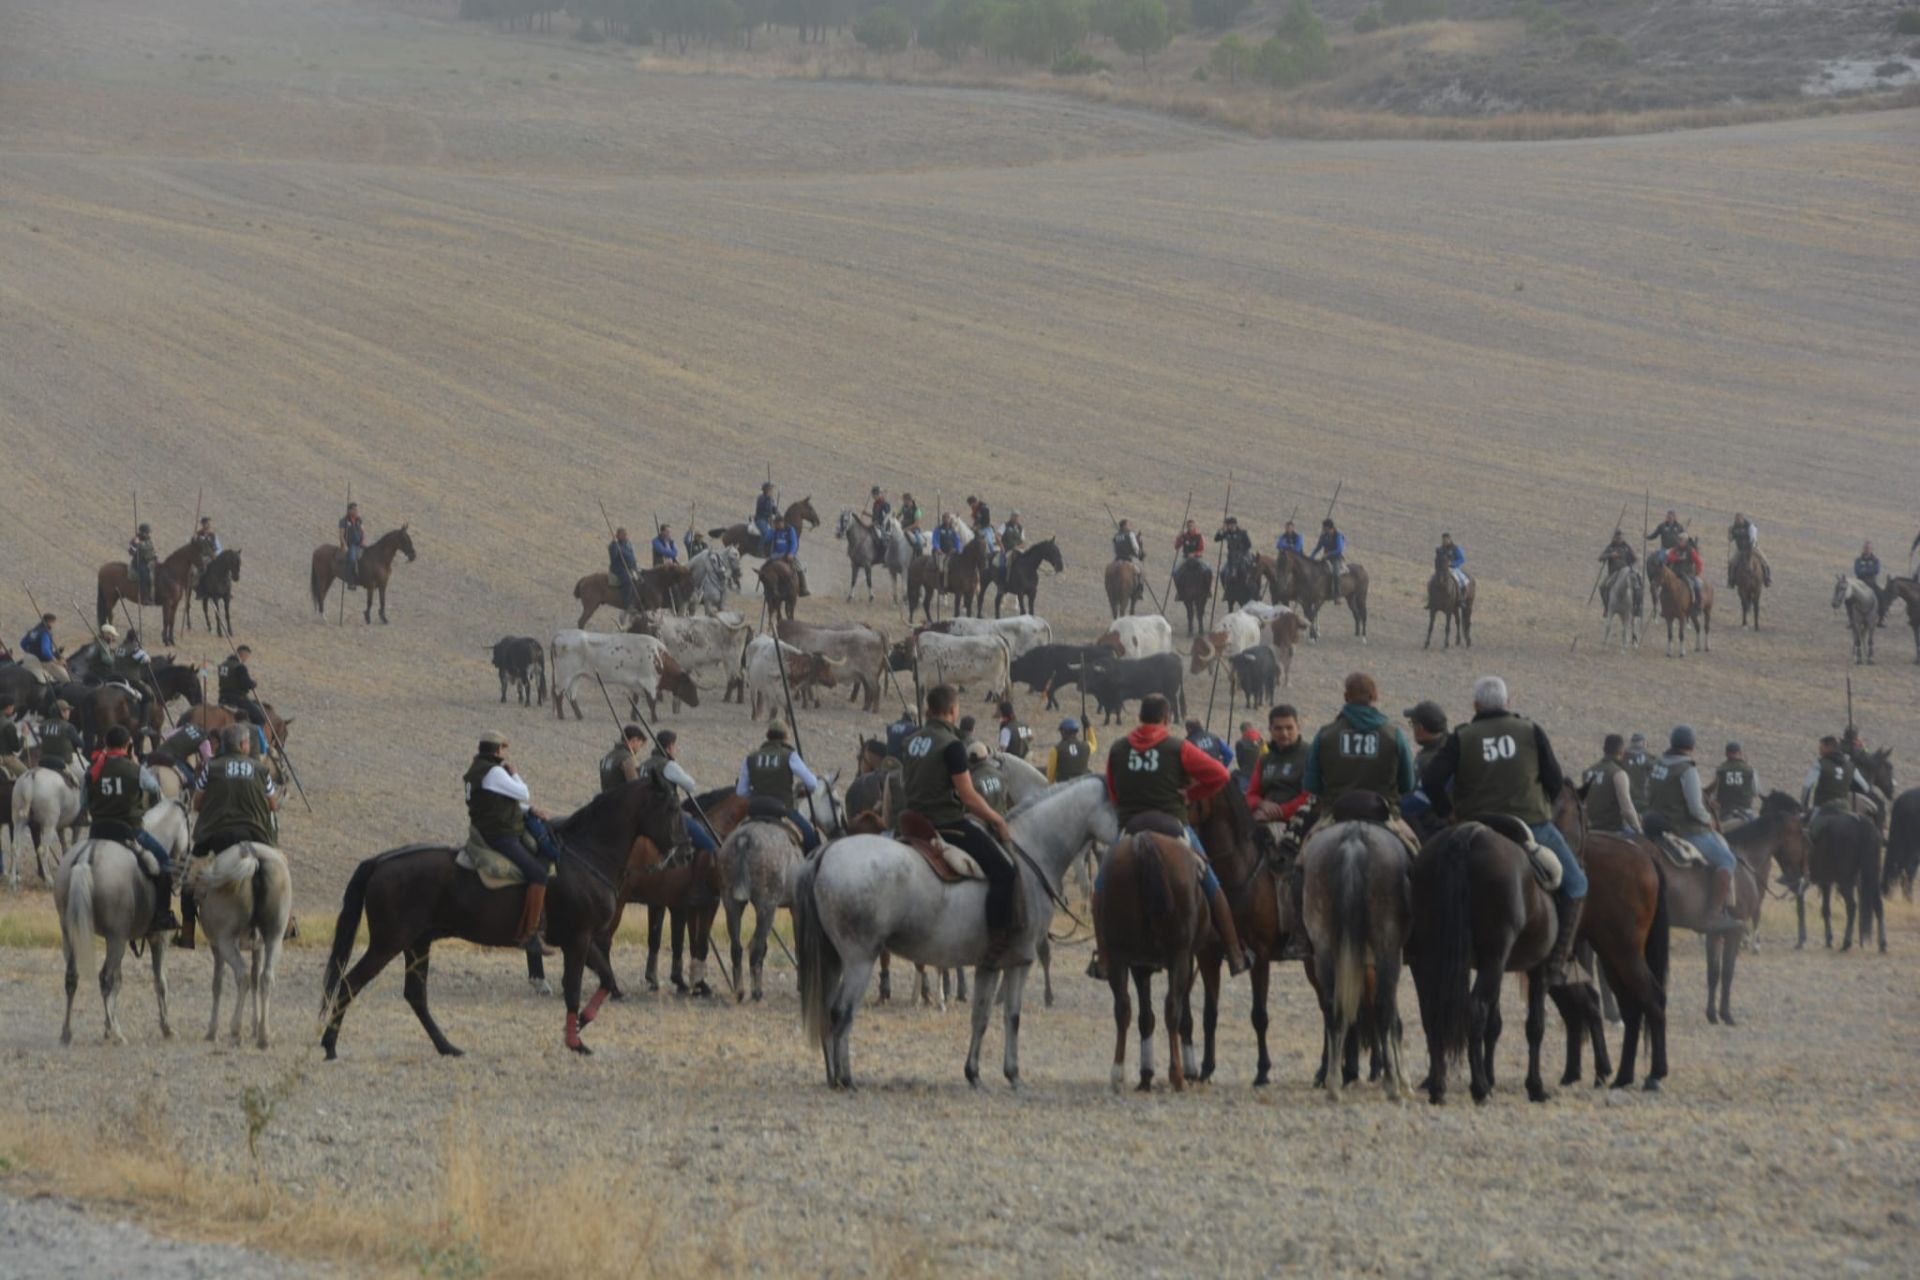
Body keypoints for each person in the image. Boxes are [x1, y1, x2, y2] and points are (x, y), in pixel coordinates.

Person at [1422, 676, 1589, 985]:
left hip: (1476, 825)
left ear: (1475, 706)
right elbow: (1554, 781)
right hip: (1532, 826)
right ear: (1508, 704)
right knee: (1577, 883)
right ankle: (1558, 963)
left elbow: (1432, 781)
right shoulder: (1531, 731)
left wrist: (1449, 813)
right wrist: (1541, 806)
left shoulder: (1462, 737)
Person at [1104, 693, 1250, 975]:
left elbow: (1113, 792)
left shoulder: (1118, 749)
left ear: (1139, 717)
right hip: (1172, 824)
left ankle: (1104, 958)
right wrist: (1192, 793)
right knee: (1211, 883)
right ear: (1167, 718)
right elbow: (1220, 775)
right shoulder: (1177, 747)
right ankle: (1234, 953)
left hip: (1131, 825)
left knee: (1102, 886)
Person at [900, 684, 1023, 965]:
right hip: (945, 823)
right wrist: (996, 818)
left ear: (929, 709)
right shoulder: (953, 745)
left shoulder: (911, 741)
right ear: (954, 711)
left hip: (911, 821)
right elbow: (968, 796)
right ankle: (996, 944)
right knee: (1005, 872)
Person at [182, 726, 281, 949]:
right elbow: (273, 805)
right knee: (278, 869)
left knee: (189, 876)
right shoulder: (260, 769)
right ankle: (289, 920)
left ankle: (187, 929)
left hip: (217, 835)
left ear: (225, 745)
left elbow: (197, 804)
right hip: (256, 833)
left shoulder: (211, 768)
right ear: (244, 745)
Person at [462, 731, 559, 950]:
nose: (506, 753)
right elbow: (523, 792)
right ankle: (531, 934)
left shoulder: (476, 770)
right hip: (501, 835)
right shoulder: (494, 772)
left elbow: (495, 802)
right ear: (497, 750)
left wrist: (530, 810)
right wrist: (515, 774)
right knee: (538, 874)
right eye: (504, 749)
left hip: (486, 828)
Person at [1647, 726, 1744, 935]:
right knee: (1728, 860)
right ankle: (1713, 915)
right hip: (1685, 830)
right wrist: (1708, 819)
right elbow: (1694, 807)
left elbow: (1648, 793)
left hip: (1656, 823)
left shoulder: (1657, 764)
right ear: (1691, 746)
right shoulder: (1687, 769)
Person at [85, 726, 179, 933]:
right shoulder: (135, 770)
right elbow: (155, 788)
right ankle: (162, 916)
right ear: (128, 746)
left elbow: (84, 801)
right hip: (129, 830)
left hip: (97, 830)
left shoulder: (93, 769)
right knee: (164, 862)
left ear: (106, 745)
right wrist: (136, 764)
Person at [1305, 673, 1415, 809]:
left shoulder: (1325, 734)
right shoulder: (1395, 735)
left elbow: (1311, 784)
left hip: (1336, 810)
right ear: (1375, 697)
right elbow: (1407, 784)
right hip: (1383, 811)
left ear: (1346, 697)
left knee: (1310, 831)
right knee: (1411, 831)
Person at [736, 722, 820, 853]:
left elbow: (741, 792)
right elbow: (813, 784)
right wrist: (806, 791)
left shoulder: (751, 758)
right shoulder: (789, 755)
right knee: (813, 842)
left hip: (756, 810)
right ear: (786, 737)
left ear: (767, 736)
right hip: (784, 809)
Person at [640, 729, 712, 857]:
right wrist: (677, 767)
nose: (675, 749)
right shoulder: (668, 765)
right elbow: (691, 786)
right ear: (669, 747)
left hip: (645, 815)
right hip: (665, 815)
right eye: (674, 746)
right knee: (709, 845)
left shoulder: (644, 765)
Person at [1246, 704, 1310, 822]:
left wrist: (1280, 811)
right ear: (1270, 729)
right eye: (1278, 728)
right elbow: (1251, 794)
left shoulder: (1310, 755)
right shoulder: (1265, 758)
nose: (1284, 733)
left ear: (1298, 727)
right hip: (1262, 815)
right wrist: (1261, 804)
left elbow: (1309, 796)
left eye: (1289, 728)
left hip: (1297, 820)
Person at [1802, 735, 1875, 837]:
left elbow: (1807, 786)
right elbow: (1865, 788)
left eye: (1821, 748)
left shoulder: (1820, 763)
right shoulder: (1851, 765)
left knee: (1806, 834)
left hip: (1822, 807)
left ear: (1829, 748)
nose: (1819, 751)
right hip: (1844, 808)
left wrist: (1804, 806)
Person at [1401, 700, 1449, 834]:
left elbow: (1419, 801)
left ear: (1420, 728)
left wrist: (1394, 806)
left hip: (1430, 825)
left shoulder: (1430, 760)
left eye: (1413, 724)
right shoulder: (1450, 746)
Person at [1581, 734, 1642, 836]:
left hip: (1591, 828)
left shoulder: (1588, 772)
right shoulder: (1618, 773)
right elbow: (1626, 808)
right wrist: (1639, 829)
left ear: (1604, 749)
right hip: (1613, 829)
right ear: (1622, 750)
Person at [217, 645, 270, 759]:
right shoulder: (240, 667)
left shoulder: (223, 665)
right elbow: (246, 684)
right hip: (237, 699)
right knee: (260, 718)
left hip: (222, 697)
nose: (246, 659)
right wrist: (253, 683)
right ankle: (256, 743)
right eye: (246, 657)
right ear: (243, 654)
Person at [1709, 742, 1761, 825]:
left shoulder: (1718, 770)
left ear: (1726, 754)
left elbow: (1713, 795)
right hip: (1746, 811)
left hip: (1725, 812)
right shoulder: (1750, 770)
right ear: (1740, 753)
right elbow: (1756, 792)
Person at [36, 700, 84, 790]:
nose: (69, 712)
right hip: (64, 762)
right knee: (83, 777)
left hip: (44, 759)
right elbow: (80, 744)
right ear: (61, 712)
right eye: (67, 710)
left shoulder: (43, 725)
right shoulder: (69, 727)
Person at [767, 514, 809, 597]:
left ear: (783, 522)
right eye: (776, 524)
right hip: (776, 554)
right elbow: (767, 539)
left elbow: (794, 543)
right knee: (766, 566)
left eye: (779, 524)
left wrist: (791, 553)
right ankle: (767, 585)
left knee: (798, 567)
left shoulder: (790, 530)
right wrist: (771, 529)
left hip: (787, 554)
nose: (778, 526)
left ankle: (803, 588)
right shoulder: (774, 531)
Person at [18, 613, 66, 683]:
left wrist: (31, 651)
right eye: (53, 623)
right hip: (43, 661)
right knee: (66, 678)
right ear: (50, 622)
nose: (53, 625)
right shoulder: (45, 633)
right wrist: (57, 661)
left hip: (29, 659)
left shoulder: (33, 631)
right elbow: (45, 651)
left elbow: (22, 643)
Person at [1726, 513, 1771, 589]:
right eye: (1736, 520)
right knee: (1732, 562)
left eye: (1739, 520)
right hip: (1740, 550)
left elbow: (1753, 539)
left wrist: (1749, 547)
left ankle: (1767, 578)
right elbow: (1730, 539)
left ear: (1742, 519)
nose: (1737, 521)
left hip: (1752, 548)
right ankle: (1731, 580)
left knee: (1765, 561)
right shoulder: (1734, 528)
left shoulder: (1750, 527)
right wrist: (1729, 532)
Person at [968, 740, 1011, 816]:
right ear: (986, 756)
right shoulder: (1001, 775)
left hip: (982, 820)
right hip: (1003, 818)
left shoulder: (971, 780)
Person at [1047, 717, 1096, 782]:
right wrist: (1089, 727)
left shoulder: (1056, 749)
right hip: (1083, 781)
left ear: (1063, 732)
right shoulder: (1086, 746)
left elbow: (1051, 772)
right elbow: (1094, 745)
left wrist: (1050, 784)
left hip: (1064, 785)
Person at [1309, 519, 1347, 596]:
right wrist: (1311, 557)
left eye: (1324, 528)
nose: (1323, 530)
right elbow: (1318, 548)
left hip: (1336, 558)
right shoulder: (1323, 536)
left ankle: (1337, 594)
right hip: (1326, 559)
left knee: (1336, 574)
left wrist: (1328, 554)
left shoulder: (1338, 536)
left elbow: (1339, 550)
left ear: (1330, 528)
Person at [1854, 541, 1886, 626]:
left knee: (1882, 597)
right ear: (1863, 549)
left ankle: (1881, 620)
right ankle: (1851, 620)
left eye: (1869, 548)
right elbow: (1857, 571)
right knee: (1850, 599)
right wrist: (1869, 571)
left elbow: (1876, 570)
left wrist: (1864, 570)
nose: (1867, 550)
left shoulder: (1876, 560)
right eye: (1865, 548)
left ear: (1872, 549)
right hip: (1860, 584)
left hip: (1872, 584)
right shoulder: (1858, 560)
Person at [609, 526, 640, 611]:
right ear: (618, 535)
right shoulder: (613, 545)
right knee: (629, 581)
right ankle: (627, 605)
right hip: (619, 569)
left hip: (631, 567)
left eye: (626, 534)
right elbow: (613, 556)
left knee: (641, 579)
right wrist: (615, 544)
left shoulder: (628, 544)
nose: (626, 536)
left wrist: (635, 566)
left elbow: (632, 555)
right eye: (624, 534)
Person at [1622, 732, 1654, 813]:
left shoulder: (1621, 756)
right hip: (1643, 800)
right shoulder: (1650, 758)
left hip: (1625, 800)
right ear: (1644, 743)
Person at [127, 524, 158, 604]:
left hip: (150, 562)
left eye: (148, 533)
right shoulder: (135, 540)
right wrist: (136, 544)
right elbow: (131, 552)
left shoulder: (148, 540)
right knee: (145, 576)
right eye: (146, 533)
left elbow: (152, 550)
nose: (148, 534)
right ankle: (144, 597)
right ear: (142, 532)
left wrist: (155, 556)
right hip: (139, 563)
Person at [930, 514, 962, 586]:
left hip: (951, 553)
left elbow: (957, 541)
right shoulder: (938, 529)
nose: (947, 520)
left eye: (948, 518)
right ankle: (942, 585)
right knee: (942, 569)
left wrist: (957, 549)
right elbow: (935, 540)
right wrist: (938, 549)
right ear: (943, 519)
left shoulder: (953, 530)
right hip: (941, 553)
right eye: (945, 518)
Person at [339, 502, 365, 587]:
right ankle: (350, 581)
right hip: (351, 544)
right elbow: (341, 535)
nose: (357, 511)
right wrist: (344, 545)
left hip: (360, 544)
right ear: (350, 510)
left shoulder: (359, 520)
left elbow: (362, 532)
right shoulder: (344, 521)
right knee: (352, 559)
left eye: (357, 510)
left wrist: (363, 541)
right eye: (355, 510)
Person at [1231, 723, 1263, 790]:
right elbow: (1266, 754)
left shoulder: (1240, 743)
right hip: (1260, 774)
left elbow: (1240, 760)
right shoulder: (1260, 740)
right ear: (1252, 728)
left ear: (1242, 731)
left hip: (1246, 774)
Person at [0, 697, 25, 783]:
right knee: (26, 775)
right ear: (8, 707)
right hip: (5, 757)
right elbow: (16, 748)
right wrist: (24, 735)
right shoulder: (8, 724)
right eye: (12, 707)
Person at [752, 482, 779, 557]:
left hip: (768, 520)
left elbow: (773, 509)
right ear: (766, 490)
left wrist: (777, 512)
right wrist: (768, 499)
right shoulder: (761, 498)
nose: (772, 491)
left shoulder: (771, 500)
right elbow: (762, 507)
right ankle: (759, 551)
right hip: (760, 519)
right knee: (765, 532)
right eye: (771, 490)